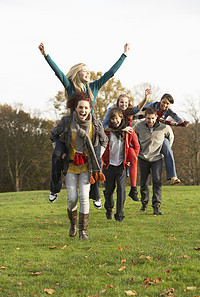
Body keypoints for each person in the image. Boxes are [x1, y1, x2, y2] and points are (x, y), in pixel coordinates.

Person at [38, 42, 130, 208]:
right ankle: (54, 188)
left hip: (90, 130)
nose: (87, 73)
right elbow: (57, 72)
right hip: (71, 128)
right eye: (84, 70)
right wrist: (46, 55)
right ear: (77, 73)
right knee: (57, 156)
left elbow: (110, 73)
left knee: (96, 161)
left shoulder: (93, 86)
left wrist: (124, 54)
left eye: (89, 71)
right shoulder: (70, 85)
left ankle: (95, 195)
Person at [50, 91, 108, 239]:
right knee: (71, 198)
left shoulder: (95, 123)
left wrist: (97, 155)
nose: (83, 111)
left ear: (90, 109)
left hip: (87, 167)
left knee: (83, 196)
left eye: (86, 108)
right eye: (80, 107)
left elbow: (104, 141)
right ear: (75, 108)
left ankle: (83, 231)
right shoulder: (66, 121)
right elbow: (53, 135)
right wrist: (59, 151)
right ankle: (73, 224)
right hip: (70, 165)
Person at [102, 89, 151, 201]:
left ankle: (133, 188)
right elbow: (104, 127)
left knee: (133, 156)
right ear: (117, 103)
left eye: (125, 102)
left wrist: (145, 99)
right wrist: (123, 128)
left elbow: (137, 108)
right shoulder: (112, 111)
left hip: (126, 141)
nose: (123, 104)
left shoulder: (129, 111)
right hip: (114, 141)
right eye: (121, 102)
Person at [134, 106, 175, 215]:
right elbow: (132, 135)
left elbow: (170, 137)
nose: (150, 121)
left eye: (152, 118)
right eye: (148, 118)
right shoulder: (139, 126)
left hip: (157, 158)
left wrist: (164, 149)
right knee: (144, 182)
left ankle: (156, 206)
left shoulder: (164, 127)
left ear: (156, 117)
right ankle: (144, 204)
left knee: (157, 181)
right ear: (145, 118)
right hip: (143, 158)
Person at [102, 106, 140, 222]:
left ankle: (119, 215)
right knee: (108, 191)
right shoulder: (106, 131)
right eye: (112, 119)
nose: (115, 121)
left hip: (121, 165)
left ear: (122, 118)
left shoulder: (129, 131)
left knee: (121, 190)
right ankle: (109, 207)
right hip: (108, 165)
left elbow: (137, 146)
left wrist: (131, 159)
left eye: (117, 118)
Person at [142, 93, 189, 185]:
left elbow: (176, 118)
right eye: (164, 102)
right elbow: (140, 107)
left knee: (167, 148)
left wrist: (182, 123)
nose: (165, 105)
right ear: (160, 100)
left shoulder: (168, 111)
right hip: (148, 131)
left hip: (159, 133)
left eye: (167, 104)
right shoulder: (152, 105)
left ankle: (173, 177)